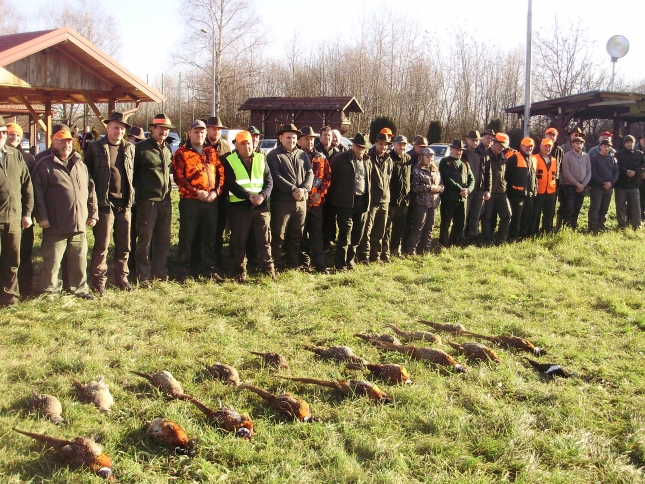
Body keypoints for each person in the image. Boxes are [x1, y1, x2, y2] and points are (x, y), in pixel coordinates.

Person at [32, 126, 98, 300]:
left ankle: (79, 288)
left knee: (79, 260)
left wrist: (93, 214)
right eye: (62, 141)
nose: (66, 145)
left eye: (69, 142)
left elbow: (90, 190)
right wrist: (42, 218)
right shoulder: (44, 165)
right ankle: (49, 291)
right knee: (52, 261)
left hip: (78, 223)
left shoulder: (80, 164)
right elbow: (37, 194)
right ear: (54, 142)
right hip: (55, 224)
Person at [84, 112, 136, 296]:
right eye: (116, 127)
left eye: (122, 128)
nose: (119, 131)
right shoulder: (95, 147)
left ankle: (121, 277)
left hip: (125, 203)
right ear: (108, 127)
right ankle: (99, 281)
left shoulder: (130, 148)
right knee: (102, 245)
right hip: (104, 203)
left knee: (124, 245)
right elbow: (87, 174)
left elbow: (132, 175)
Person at [172, 120, 225, 281]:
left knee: (209, 237)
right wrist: (196, 193)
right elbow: (179, 178)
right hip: (191, 202)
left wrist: (216, 192)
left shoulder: (211, 151)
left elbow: (220, 173)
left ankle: (209, 269)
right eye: (196, 132)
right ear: (189, 133)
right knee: (188, 237)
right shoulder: (181, 153)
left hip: (211, 201)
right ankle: (184, 270)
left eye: (202, 132)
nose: (200, 135)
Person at [223, 131, 274, 283]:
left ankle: (268, 270)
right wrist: (248, 196)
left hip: (260, 206)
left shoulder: (261, 158)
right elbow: (230, 183)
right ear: (236, 145)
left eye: (249, 143)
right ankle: (240, 271)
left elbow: (269, 181)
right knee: (239, 240)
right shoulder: (230, 160)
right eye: (243, 143)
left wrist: (263, 196)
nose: (247, 146)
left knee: (264, 240)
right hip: (240, 206)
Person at [133, 113, 174, 285]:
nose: (164, 132)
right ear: (153, 129)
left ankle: (160, 273)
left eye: (166, 129)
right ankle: (143, 275)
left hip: (165, 201)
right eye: (161, 128)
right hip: (147, 201)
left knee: (163, 239)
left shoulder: (167, 149)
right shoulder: (141, 148)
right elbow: (132, 175)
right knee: (145, 240)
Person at [266, 123, 313, 271]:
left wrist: (304, 189)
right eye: (288, 137)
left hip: (301, 202)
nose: (291, 140)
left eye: (294, 138)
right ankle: (276, 265)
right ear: (281, 138)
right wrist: (293, 189)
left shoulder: (302, 154)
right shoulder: (274, 155)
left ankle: (293, 264)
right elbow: (275, 176)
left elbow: (310, 173)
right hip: (282, 201)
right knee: (279, 234)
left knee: (296, 234)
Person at [0, 119, 33, 305]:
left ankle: (9, 298)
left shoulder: (15, 155)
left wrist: (27, 213)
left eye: (4, 132)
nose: (2, 136)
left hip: (14, 219)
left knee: (12, 261)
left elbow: (27, 186)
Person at [329, 133, 372, 271]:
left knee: (357, 234)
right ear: (353, 145)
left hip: (362, 201)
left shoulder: (367, 161)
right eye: (358, 147)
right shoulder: (340, 159)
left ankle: (350, 261)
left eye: (363, 148)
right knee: (345, 234)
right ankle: (340, 264)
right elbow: (331, 179)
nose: (361, 150)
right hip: (344, 202)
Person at [7, 123, 36, 296]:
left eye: (18, 135)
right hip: (6, 214)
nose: (14, 138)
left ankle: (25, 287)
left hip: (23, 213)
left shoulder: (27, 158)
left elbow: (30, 188)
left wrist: (29, 212)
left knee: (25, 252)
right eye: (11, 134)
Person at [298, 127, 331, 273]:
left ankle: (320, 265)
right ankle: (303, 263)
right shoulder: (295, 157)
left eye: (311, 139)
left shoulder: (321, 157)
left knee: (317, 234)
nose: (309, 141)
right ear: (300, 140)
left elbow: (327, 178)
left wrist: (320, 194)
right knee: (300, 234)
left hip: (316, 203)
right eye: (306, 138)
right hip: (299, 203)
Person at [357, 131, 393, 263]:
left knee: (380, 231)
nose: (383, 147)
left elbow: (389, 179)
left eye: (386, 145)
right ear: (375, 143)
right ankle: (363, 256)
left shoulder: (389, 160)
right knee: (366, 230)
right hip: (371, 200)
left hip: (385, 200)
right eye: (381, 144)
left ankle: (375, 256)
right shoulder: (368, 157)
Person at [204, 116, 232, 270]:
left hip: (222, 193)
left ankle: (217, 259)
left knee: (219, 228)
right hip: (204, 193)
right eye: (213, 128)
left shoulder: (225, 146)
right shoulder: (200, 144)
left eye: (219, 129)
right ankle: (203, 260)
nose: (216, 132)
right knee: (205, 229)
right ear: (207, 129)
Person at [407, 148, 443, 255]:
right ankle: (412, 250)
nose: (430, 159)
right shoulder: (417, 170)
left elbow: (441, 184)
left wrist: (440, 189)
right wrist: (429, 188)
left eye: (431, 156)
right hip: (421, 203)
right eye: (427, 156)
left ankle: (426, 250)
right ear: (422, 157)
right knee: (418, 227)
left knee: (429, 228)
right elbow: (414, 187)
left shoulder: (436, 170)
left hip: (434, 204)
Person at [438, 140, 474, 247]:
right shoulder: (445, 162)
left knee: (460, 223)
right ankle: (443, 243)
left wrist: (467, 190)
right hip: (449, 198)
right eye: (457, 149)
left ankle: (455, 242)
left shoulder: (465, 163)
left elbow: (472, 179)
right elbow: (447, 179)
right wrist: (460, 189)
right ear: (451, 149)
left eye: (461, 150)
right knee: (445, 223)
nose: (459, 152)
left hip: (462, 199)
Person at [383, 135, 412, 260]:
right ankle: (385, 252)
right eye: (399, 144)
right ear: (393, 144)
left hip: (404, 200)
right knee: (386, 228)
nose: (402, 147)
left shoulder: (409, 159)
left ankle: (396, 250)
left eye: (404, 144)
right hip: (391, 200)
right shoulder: (389, 158)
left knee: (400, 228)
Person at [481, 133, 511, 245]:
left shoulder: (503, 157)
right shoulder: (485, 155)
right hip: (488, 192)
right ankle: (487, 239)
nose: (502, 148)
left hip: (501, 192)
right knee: (487, 218)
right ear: (494, 142)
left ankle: (500, 238)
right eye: (500, 145)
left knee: (507, 215)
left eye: (504, 147)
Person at [506, 137, 537, 240]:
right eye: (527, 146)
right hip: (516, 194)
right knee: (516, 217)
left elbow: (534, 176)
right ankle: (513, 236)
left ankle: (523, 235)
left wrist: (534, 189)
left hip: (529, 194)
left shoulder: (533, 159)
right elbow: (507, 176)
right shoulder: (514, 158)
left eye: (531, 146)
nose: (530, 148)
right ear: (521, 146)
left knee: (527, 216)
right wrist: (510, 191)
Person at [126, 126, 147, 275]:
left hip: (141, 198)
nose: (138, 143)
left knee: (142, 233)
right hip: (126, 200)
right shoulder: (124, 152)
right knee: (128, 234)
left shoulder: (141, 153)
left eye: (141, 141)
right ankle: (129, 264)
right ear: (129, 138)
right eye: (136, 140)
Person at [316, 126, 340, 250]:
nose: (327, 138)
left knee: (330, 218)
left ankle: (328, 241)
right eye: (325, 135)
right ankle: (318, 243)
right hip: (318, 191)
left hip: (333, 191)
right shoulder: (316, 151)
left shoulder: (337, 152)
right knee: (319, 218)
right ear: (320, 137)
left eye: (329, 135)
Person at [614, 135, 645, 230]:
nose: (629, 144)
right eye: (627, 142)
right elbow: (616, 166)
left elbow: (643, 166)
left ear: (634, 143)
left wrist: (636, 171)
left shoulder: (639, 154)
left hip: (634, 185)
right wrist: (625, 171)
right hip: (621, 185)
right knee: (620, 206)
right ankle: (622, 225)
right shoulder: (618, 154)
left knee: (636, 206)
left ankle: (637, 225)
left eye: (631, 142)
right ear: (624, 143)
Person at [588, 139, 618, 233]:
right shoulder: (595, 158)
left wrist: (611, 183)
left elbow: (616, 172)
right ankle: (592, 227)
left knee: (605, 207)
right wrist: (602, 183)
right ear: (600, 146)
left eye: (608, 146)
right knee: (595, 207)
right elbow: (593, 172)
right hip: (597, 187)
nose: (607, 148)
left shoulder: (612, 159)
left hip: (609, 187)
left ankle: (601, 225)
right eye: (605, 146)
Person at [560, 136, 591, 229]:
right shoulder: (567, 156)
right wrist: (577, 184)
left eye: (581, 143)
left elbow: (589, 171)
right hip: (570, 186)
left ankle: (574, 226)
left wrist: (583, 185)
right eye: (577, 143)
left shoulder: (586, 156)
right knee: (569, 208)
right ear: (572, 144)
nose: (579, 145)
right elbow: (566, 172)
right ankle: (567, 227)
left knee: (577, 207)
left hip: (582, 186)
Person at [463, 130, 488, 243]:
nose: (475, 143)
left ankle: (473, 236)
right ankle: (461, 236)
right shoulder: (462, 152)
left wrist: (487, 189)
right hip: (467, 188)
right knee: (464, 214)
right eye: (473, 140)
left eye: (477, 140)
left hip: (479, 188)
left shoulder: (483, 153)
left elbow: (488, 173)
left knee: (475, 214)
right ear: (467, 139)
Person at [530, 138, 559, 235]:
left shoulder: (554, 160)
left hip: (551, 191)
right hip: (538, 191)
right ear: (541, 146)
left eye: (549, 146)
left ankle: (547, 231)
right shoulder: (534, 158)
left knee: (549, 214)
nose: (547, 148)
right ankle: (533, 232)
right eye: (545, 146)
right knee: (535, 214)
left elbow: (556, 176)